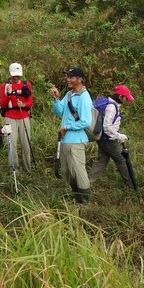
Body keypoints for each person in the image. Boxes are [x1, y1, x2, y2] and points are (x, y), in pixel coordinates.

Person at [50, 67, 93, 203]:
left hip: (77, 140)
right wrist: (56, 99)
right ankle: (76, 195)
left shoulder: (84, 97)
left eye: (72, 77)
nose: (68, 79)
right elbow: (58, 112)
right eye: (67, 76)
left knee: (79, 171)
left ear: (80, 79)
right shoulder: (69, 94)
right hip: (65, 140)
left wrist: (67, 127)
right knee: (68, 171)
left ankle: (84, 201)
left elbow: (86, 121)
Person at [87, 85, 136, 189]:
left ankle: (85, 184)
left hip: (102, 139)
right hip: (109, 140)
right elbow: (107, 126)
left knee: (101, 161)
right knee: (122, 160)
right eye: (126, 98)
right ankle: (131, 187)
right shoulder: (111, 107)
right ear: (120, 96)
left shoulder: (111, 105)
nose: (127, 100)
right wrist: (118, 136)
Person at [0, 62, 34, 174]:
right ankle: (14, 169)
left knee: (26, 144)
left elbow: (30, 101)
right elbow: (3, 104)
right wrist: (9, 94)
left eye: (18, 75)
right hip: (10, 117)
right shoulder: (5, 86)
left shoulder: (26, 84)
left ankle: (28, 169)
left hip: (24, 116)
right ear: (10, 74)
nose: (16, 77)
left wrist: (23, 105)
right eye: (14, 75)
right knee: (11, 144)